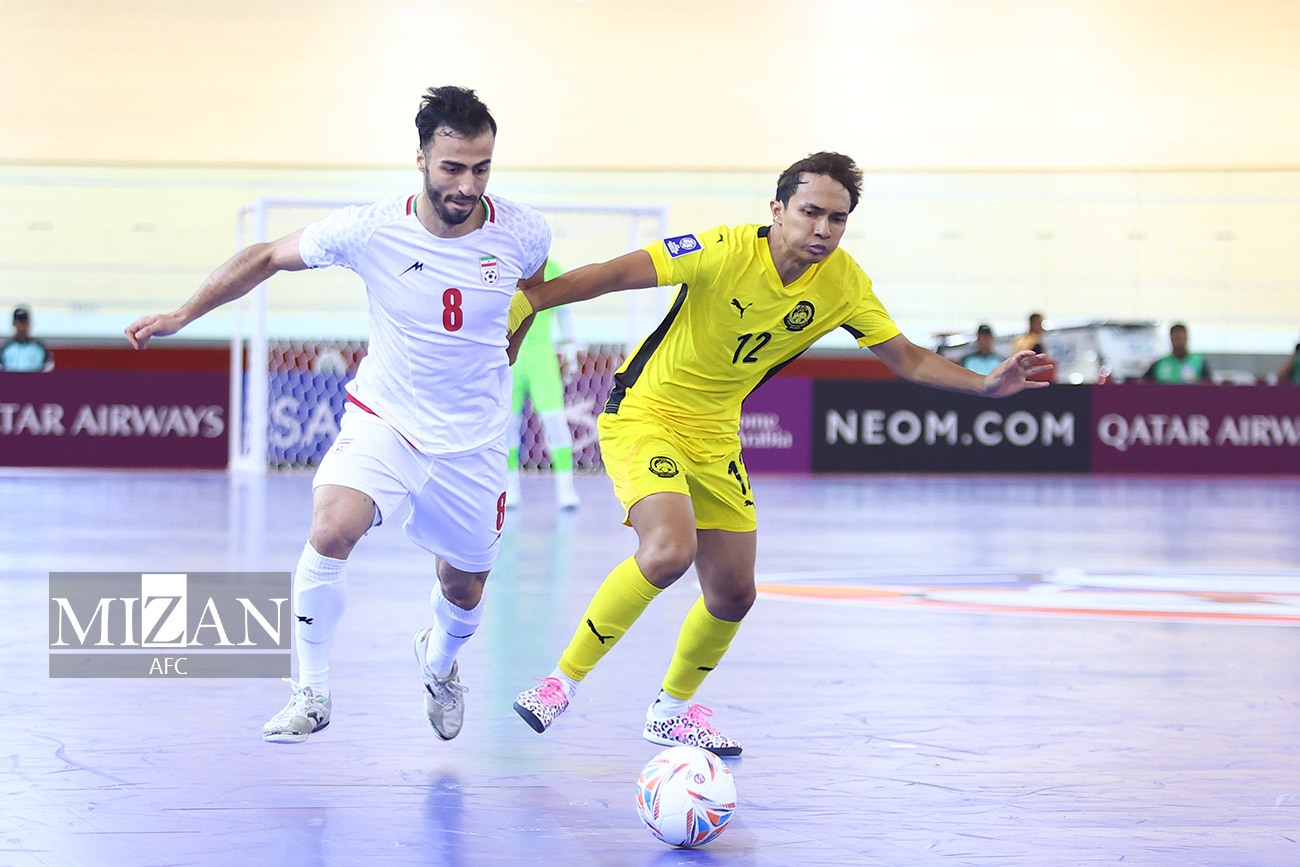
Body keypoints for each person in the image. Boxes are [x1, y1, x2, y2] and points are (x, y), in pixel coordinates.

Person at [506, 152, 1051, 756]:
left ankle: (672, 711)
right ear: (777, 209)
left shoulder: (843, 284)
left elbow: (907, 358)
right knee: (669, 550)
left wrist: (986, 385)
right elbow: (617, 273)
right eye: (811, 212)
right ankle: (560, 682)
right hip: (646, 414)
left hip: (716, 435)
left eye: (837, 219)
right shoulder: (721, 249)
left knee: (734, 594)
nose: (823, 229)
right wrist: (532, 300)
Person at [125, 86, 551, 745]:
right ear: (421, 158)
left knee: (464, 586)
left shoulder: (523, 230)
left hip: (473, 438)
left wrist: (509, 348)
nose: (467, 185)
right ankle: (311, 691)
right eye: (452, 167)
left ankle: (439, 662)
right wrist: (182, 314)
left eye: (481, 167)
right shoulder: (371, 228)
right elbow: (265, 257)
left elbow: (531, 292)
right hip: (388, 417)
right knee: (331, 528)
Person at [506, 258, 581, 510]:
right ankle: (509, 486)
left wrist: (570, 347)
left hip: (542, 355)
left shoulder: (553, 268)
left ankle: (566, 487)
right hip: (509, 354)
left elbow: (564, 311)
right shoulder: (505, 261)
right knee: (507, 424)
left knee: (554, 420)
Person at [1142, 322, 1212, 384]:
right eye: (1176, 338)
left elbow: (1208, 385)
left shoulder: (1199, 363)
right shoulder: (1160, 364)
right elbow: (1143, 382)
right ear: (1171, 339)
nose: (1179, 341)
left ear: (1186, 338)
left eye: (1181, 337)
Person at [1, 306, 54, 372]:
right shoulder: (5, 347)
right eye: (19, 322)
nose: (22, 325)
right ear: (14, 323)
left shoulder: (40, 347)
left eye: (24, 322)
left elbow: (48, 367)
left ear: (29, 323)